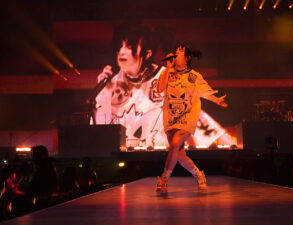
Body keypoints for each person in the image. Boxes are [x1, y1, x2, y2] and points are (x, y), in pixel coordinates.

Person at [94, 23, 235, 148]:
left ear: (147, 54)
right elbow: (101, 130)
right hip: (128, 154)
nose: (122, 52)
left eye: (129, 47)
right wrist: (104, 94)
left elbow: (194, 115)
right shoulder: (111, 84)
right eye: (120, 46)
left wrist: (231, 146)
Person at [155, 45, 228, 193]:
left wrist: (217, 100)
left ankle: (164, 179)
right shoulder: (167, 72)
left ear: (187, 58)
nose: (176, 55)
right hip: (170, 116)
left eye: (179, 53)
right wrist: (168, 68)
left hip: (188, 115)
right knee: (179, 154)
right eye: (175, 53)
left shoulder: (194, 76)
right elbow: (159, 89)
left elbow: (205, 91)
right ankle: (199, 175)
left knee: (175, 144)